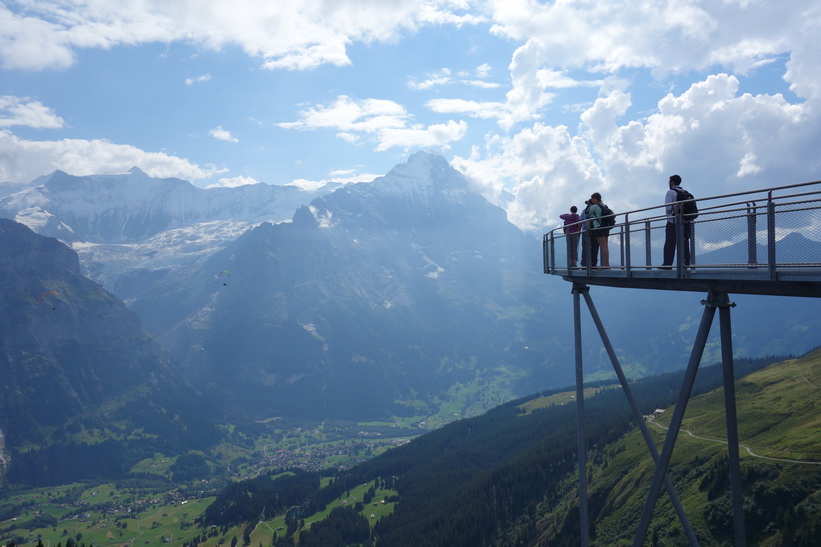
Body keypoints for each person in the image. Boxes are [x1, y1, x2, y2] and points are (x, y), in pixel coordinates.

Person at [661, 174, 692, 269]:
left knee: (670, 244)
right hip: (686, 222)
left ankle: (667, 265)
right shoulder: (685, 192)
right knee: (685, 242)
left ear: (672, 182)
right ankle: (685, 265)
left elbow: (668, 207)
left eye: (669, 182)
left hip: (673, 222)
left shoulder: (670, 192)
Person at [586, 192, 610, 268]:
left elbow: (587, 213)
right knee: (605, 246)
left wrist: (589, 204)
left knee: (603, 246)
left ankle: (605, 265)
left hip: (598, 228)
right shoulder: (605, 206)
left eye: (592, 199)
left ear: (595, 198)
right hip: (606, 227)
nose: (591, 200)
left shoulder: (595, 206)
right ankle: (606, 264)